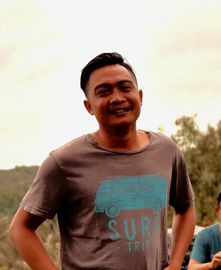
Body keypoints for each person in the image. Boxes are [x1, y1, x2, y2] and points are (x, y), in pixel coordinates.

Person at [9, 52, 196, 270]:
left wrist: (174, 265)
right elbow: (20, 228)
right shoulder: (63, 162)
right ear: (89, 106)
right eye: (104, 92)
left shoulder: (166, 150)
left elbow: (186, 207)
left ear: (140, 96)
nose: (117, 98)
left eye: (125, 87)